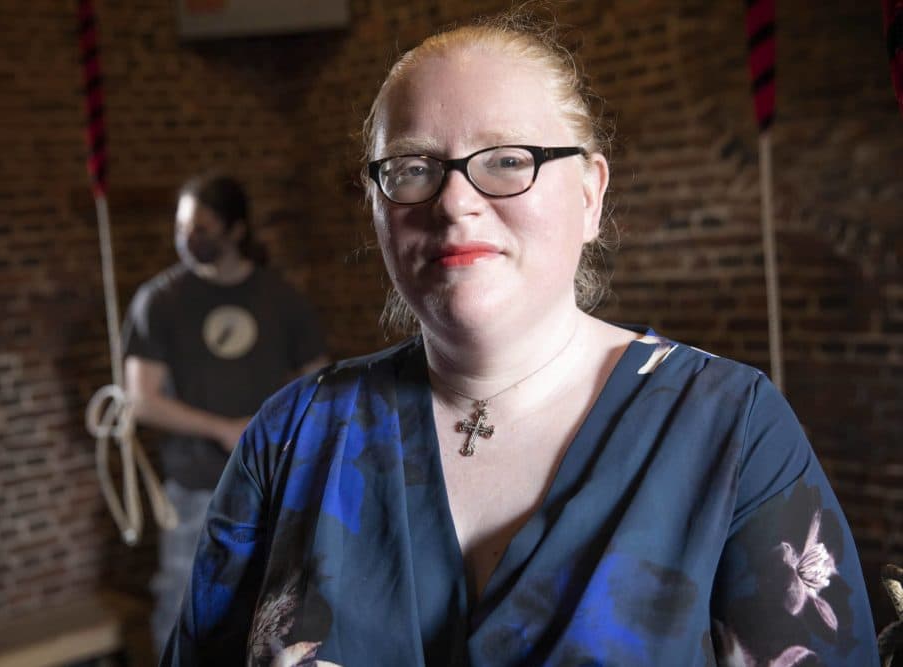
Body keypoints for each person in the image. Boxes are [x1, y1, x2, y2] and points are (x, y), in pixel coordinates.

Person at [161, 12, 879, 666]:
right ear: (378, 206)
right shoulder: (286, 439)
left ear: (591, 194)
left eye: (507, 158)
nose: (454, 200)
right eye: (412, 168)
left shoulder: (731, 429)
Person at [121, 173, 328, 655]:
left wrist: (272, 435)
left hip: (277, 484)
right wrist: (226, 431)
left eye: (203, 228)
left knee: (276, 609)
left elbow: (319, 382)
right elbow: (141, 399)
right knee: (181, 604)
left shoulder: (281, 299)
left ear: (237, 231)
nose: (188, 240)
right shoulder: (159, 301)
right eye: (182, 228)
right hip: (195, 487)